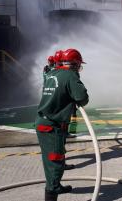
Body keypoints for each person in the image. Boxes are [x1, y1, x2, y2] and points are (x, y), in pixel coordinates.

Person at [35, 48, 89, 201]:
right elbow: (82, 97)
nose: (79, 68)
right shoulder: (70, 75)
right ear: (74, 64)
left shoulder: (52, 73)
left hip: (43, 123)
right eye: (78, 65)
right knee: (55, 162)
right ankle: (52, 191)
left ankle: (55, 186)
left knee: (51, 161)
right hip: (53, 126)